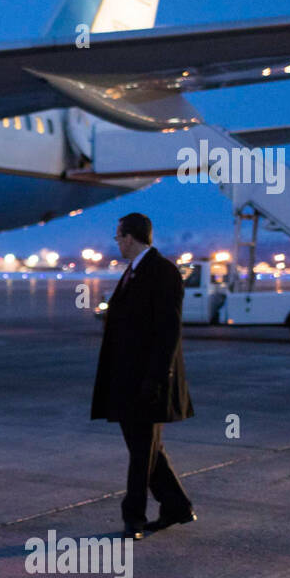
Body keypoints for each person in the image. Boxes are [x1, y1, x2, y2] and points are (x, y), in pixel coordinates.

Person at [91, 212, 197, 540]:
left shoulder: (162, 271)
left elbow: (169, 330)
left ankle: (133, 517)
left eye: (118, 236)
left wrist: (156, 378)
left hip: (148, 382)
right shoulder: (133, 272)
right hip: (128, 380)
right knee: (149, 449)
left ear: (130, 237)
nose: (117, 243)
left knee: (142, 452)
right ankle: (177, 506)